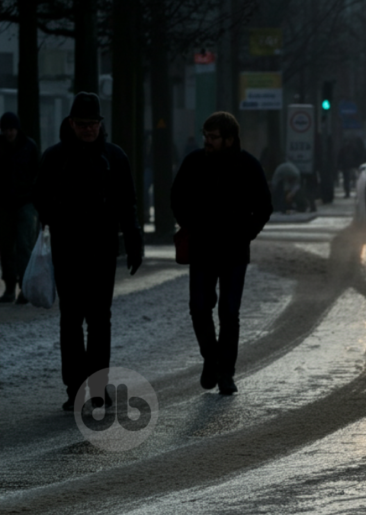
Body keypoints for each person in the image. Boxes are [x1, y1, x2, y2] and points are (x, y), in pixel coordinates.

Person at [34, 92, 144, 411]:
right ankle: (79, 387)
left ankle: (92, 386)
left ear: (99, 124)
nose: (88, 129)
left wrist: (134, 238)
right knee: (76, 319)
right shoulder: (63, 157)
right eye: (83, 124)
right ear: (71, 123)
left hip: (97, 248)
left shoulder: (109, 157)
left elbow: (127, 202)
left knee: (95, 319)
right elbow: (39, 197)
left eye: (92, 124)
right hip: (71, 248)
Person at [171, 112, 272, 395]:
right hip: (202, 248)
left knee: (229, 312)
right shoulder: (194, 162)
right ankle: (211, 358)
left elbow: (264, 206)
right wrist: (189, 225)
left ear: (229, 139)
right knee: (199, 307)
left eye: (213, 137)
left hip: (234, 251)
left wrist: (246, 233)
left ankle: (225, 372)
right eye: (206, 136)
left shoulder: (248, 165)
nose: (207, 142)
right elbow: (176, 196)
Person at [0, 112, 40, 304]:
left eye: (11, 129)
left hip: (24, 202)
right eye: (6, 129)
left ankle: (22, 288)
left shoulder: (29, 147)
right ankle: (10, 288)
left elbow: (38, 175)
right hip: (8, 204)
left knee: (23, 246)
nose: (8, 133)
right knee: (8, 248)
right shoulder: (27, 146)